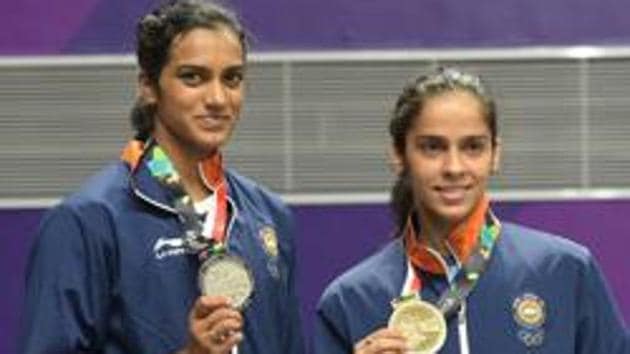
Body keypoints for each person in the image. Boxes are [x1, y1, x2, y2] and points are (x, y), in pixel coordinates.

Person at [20, 1, 304, 353]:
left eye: (232, 78)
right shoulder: (88, 221)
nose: (217, 98)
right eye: (193, 77)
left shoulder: (268, 216)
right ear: (149, 86)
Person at [313, 68, 629, 353]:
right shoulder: (351, 300)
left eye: (473, 147)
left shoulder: (564, 271)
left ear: (495, 155)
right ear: (399, 155)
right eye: (432, 147)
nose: (454, 167)